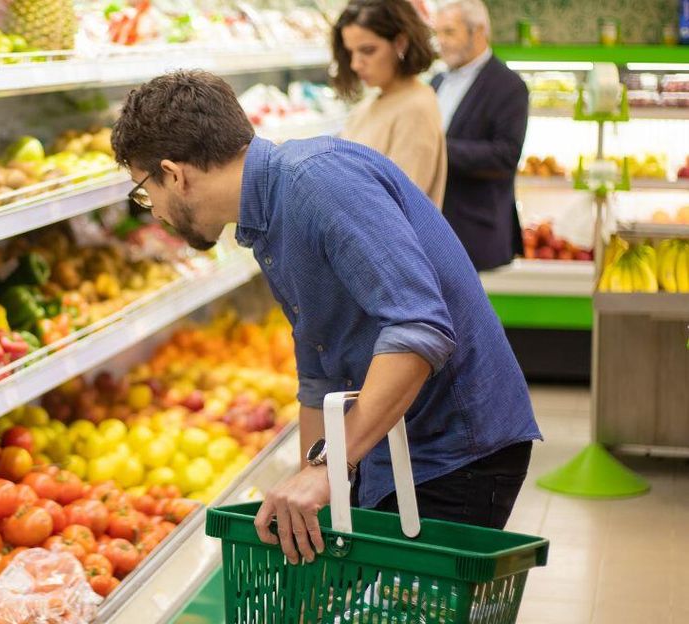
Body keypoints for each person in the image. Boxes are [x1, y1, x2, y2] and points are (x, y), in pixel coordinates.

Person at [110, 71, 540, 565]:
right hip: (392, 443)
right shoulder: (265, 219)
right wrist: (307, 484)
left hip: (454, 449)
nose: (154, 211)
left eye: (145, 192)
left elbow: (420, 329)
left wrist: (330, 468)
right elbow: (320, 374)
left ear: (174, 173)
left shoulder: (317, 182)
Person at [433, 0, 529, 270]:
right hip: (437, 230)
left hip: (476, 235)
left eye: (449, 32)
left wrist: (436, 149)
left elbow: (505, 157)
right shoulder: (437, 81)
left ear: (479, 32)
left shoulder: (509, 86)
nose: (440, 41)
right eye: (437, 33)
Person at [335, 0, 447, 208]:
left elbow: (396, 205)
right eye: (351, 52)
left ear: (400, 43)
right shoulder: (372, 103)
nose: (355, 64)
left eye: (368, 50)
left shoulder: (416, 107)